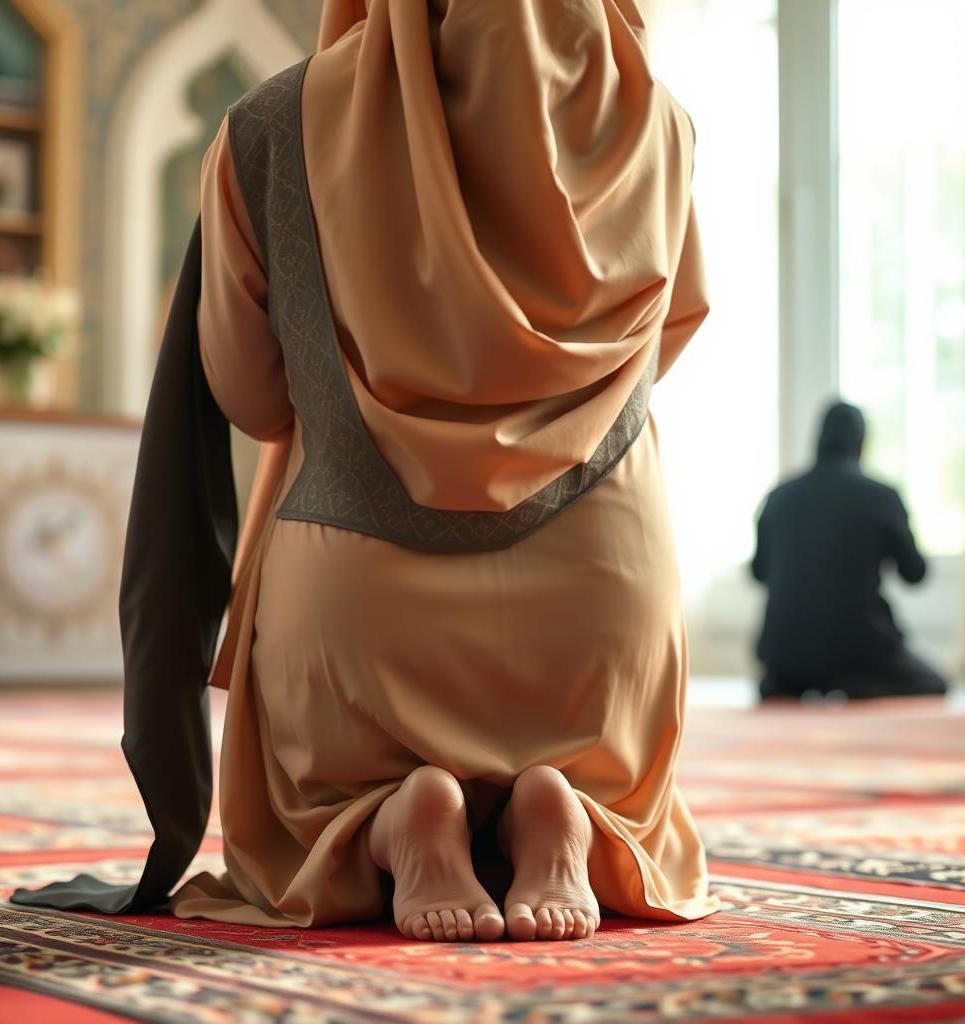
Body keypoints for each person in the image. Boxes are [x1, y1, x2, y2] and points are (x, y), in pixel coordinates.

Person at [160, 0, 720, 943]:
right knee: (602, 753)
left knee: (320, 790)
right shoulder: (654, 118)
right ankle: (568, 807)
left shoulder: (269, 122)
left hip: (360, 605)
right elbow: (672, 328)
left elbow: (250, 396)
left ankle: (386, 816)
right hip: (598, 611)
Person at [751, 401, 948, 701]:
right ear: (862, 444)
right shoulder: (881, 496)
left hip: (784, 653)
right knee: (935, 684)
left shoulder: (778, 496)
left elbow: (758, 573)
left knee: (789, 678)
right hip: (863, 648)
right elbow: (915, 573)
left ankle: (802, 683)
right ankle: (855, 685)